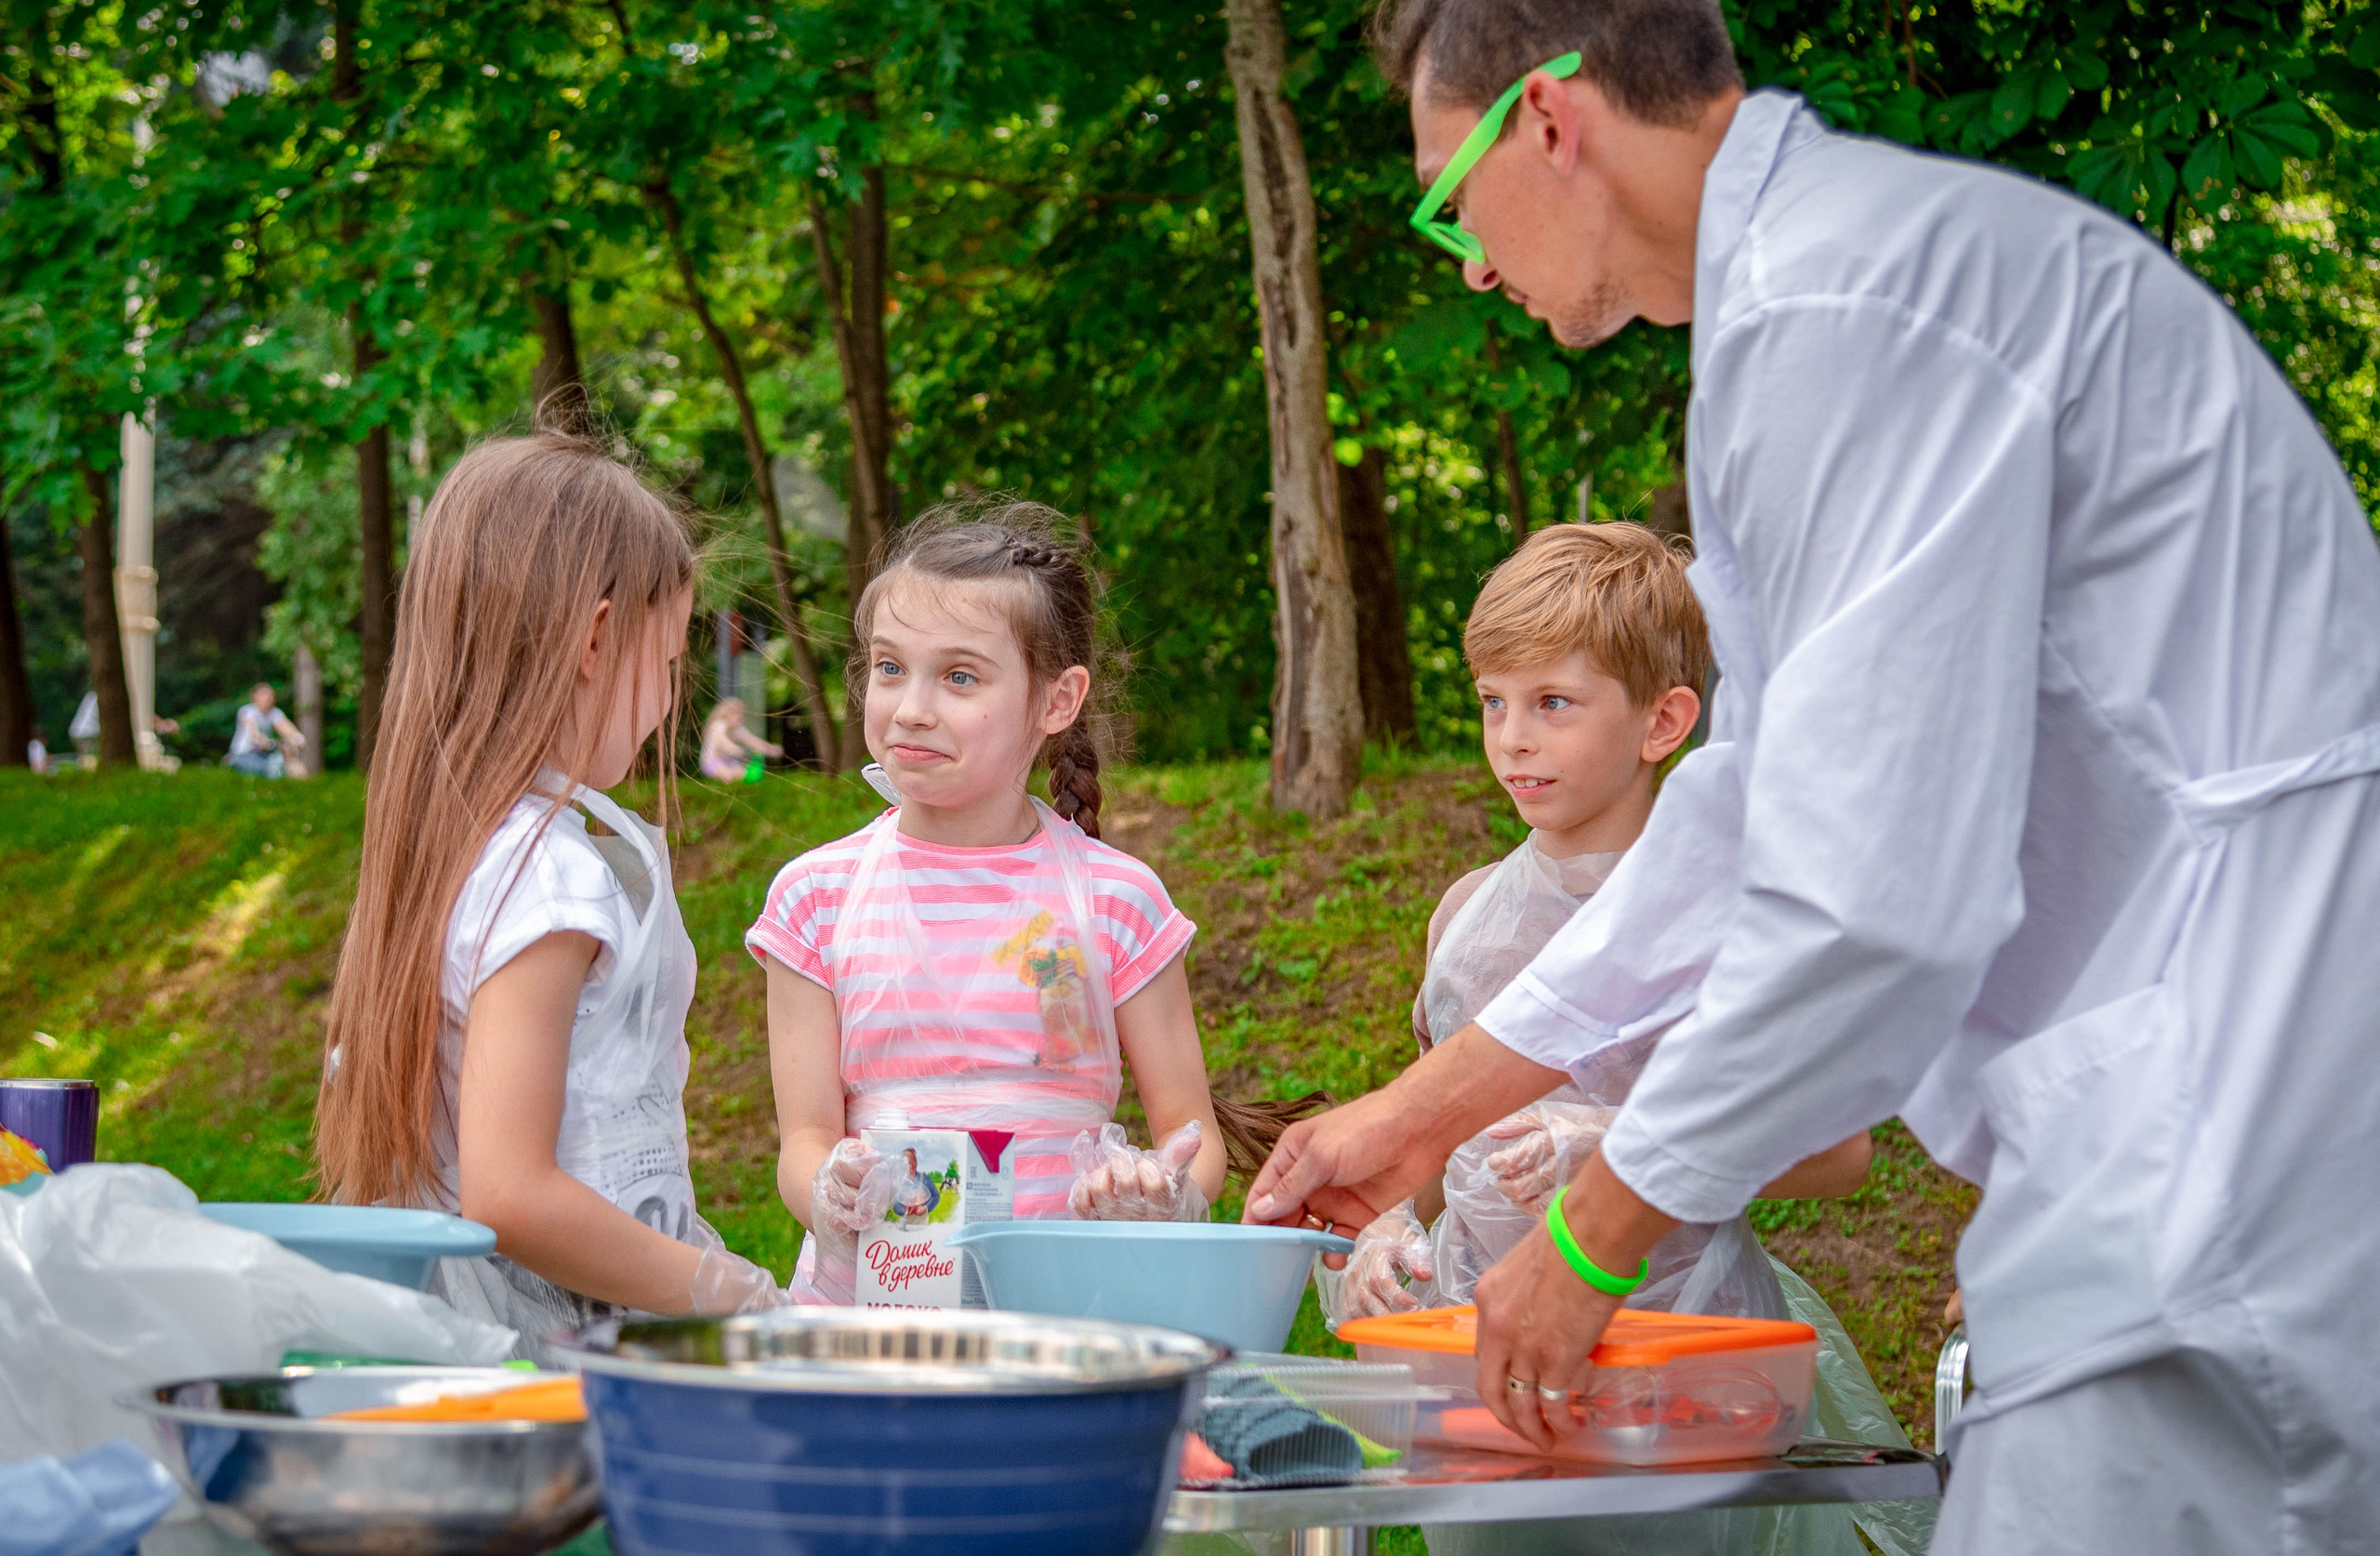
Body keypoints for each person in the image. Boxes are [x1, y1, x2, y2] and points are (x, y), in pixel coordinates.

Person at [1246, 1, 2380, 1548]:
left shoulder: (1860, 307)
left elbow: (1868, 898)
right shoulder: (1808, 312)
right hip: (2175, 1096)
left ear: (1551, 122)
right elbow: (1749, 805)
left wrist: (1592, 1234)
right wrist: (1424, 1107)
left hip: (2242, 1084)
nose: (1465, 262)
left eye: (1450, 196)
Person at [1325, 523, 1923, 1556]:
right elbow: (1440, 1128)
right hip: (1481, 1362)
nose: (1512, 737)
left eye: (1552, 703)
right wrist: (1387, 1229)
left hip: (1681, 1361)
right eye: (1491, 702)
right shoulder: (1465, 917)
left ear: (1663, 721)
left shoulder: (1735, 918)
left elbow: (1838, 1153)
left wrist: (1608, 1147)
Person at [312, 433, 787, 1358]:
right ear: (597, 639)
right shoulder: (551, 875)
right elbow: (513, 1196)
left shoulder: (467, 849)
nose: (668, 697)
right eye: (671, 661)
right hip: (542, 1377)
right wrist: (735, 1294)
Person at [750, 504, 1235, 1302]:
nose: (910, 708)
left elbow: (1194, 1139)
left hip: (1065, 1314)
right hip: (869, 1322)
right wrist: (828, 1196)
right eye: (890, 668)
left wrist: (1161, 1191)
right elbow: (805, 1140)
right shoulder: (815, 899)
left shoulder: (1118, 900)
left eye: (960, 677)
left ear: (1057, 700)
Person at [227, 684, 306, 779]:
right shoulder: (247, 711)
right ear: (254, 697)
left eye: (271, 695)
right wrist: (260, 739)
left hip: (265, 753)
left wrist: (298, 738)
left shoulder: (274, 713)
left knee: (285, 761)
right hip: (244, 754)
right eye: (264, 694)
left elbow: (285, 727)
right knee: (272, 769)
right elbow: (253, 730)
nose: (268, 698)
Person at [696, 696, 782, 782]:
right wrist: (733, 748)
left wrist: (770, 749)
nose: (741, 718)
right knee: (727, 776)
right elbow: (721, 740)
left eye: (742, 715)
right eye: (738, 715)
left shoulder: (737, 729)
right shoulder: (719, 725)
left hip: (729, 761)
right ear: (728, 714)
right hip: (712, 761)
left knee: (744, 775)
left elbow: (752, 740)